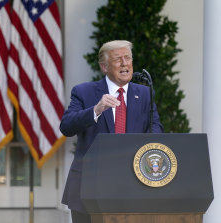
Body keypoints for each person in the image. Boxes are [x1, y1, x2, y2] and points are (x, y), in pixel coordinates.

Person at [60, 40, 163, 223]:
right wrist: (96, 110)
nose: (125, 63)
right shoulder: (84, 92)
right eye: (118, 59)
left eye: (128, 58)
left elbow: (155, 128)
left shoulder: (145, 93)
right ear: (104, 67)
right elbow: (66, 126)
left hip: (134, 185)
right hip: (90, 187)